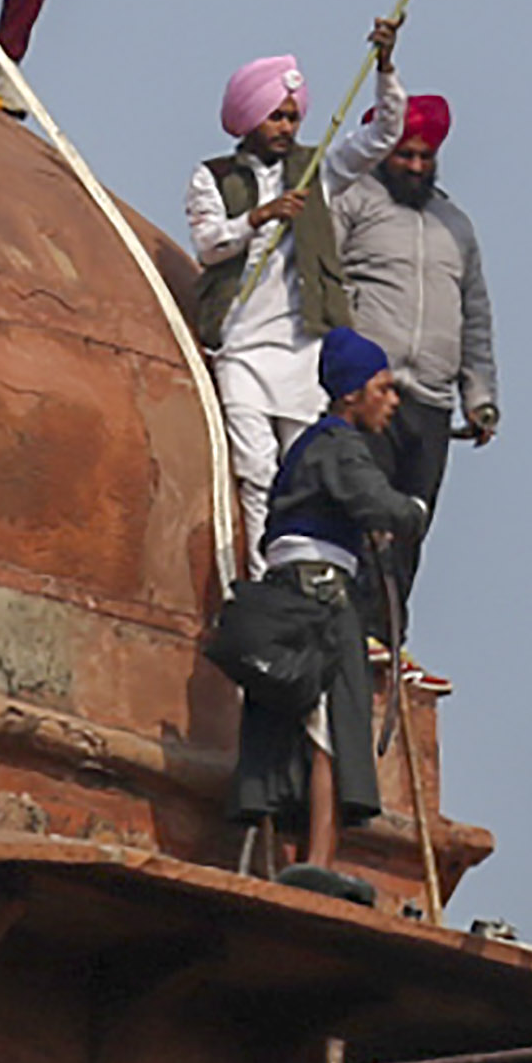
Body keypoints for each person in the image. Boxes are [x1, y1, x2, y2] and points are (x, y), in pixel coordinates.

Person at [211, 329, 421, 896]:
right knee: (329, 729)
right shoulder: (338, 445)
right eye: (384, 388)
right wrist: (412, 509)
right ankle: (319, 861)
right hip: (320, 599)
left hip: (289, 593)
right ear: (353, 393)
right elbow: (380, 504)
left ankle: (289, 861)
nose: (393, 401)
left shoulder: (310, 448)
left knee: (286, 730)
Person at [324, 19, 497, 612]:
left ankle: (389, 640)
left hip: (431, 399)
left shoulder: (456, 226)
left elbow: (475, 316)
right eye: (408, 154)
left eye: (427, 156)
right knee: (364, 518)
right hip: (369, 389)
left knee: (412, 524)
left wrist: (480, 397)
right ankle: (352, 630)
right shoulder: (354, 200)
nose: (418, 166)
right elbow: (326, 281)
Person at [184, 59, 352, 546]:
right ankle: (261, 574)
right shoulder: (213, 176)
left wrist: (384, 68)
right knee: (256, 470)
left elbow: (378, 140)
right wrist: (258, 217)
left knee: (302, 474)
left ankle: (295, 570)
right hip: (240, 344)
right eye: (275, 116)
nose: (285, 128)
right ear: (250, 117)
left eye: (291, 117)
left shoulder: (312, 171)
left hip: (301, 348)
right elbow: (209, 245)